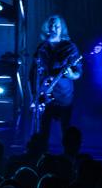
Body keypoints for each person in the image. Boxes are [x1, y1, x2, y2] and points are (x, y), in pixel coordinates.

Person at [30, 15, 81, 149]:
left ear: (61, 29)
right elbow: (32, 73)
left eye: (56, 26)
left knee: (64, 130)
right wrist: (34, 95)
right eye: (50, 26)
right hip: (43, 95)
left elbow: (77, 72)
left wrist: (71, 74)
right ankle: (41, 156)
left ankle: (67, 157)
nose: (52, 29)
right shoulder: (42, 48)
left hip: (63, 96)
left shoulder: (69, 48)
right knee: (42, 130)